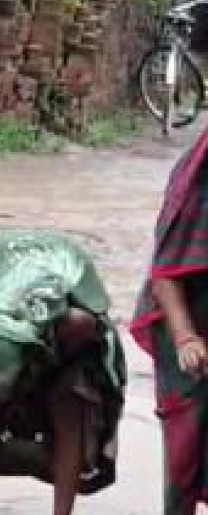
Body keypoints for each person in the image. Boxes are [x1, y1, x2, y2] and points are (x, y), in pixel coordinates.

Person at [0, 230, 126, 515]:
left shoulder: (76, 321)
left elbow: (91, 321)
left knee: (70, 402)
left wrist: (49, 357)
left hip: (60, 343)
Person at [131, 124, 208, 515]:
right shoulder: (196, 183)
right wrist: (185, 337)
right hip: (186, 320)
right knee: (185, 452)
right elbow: (164, 272)